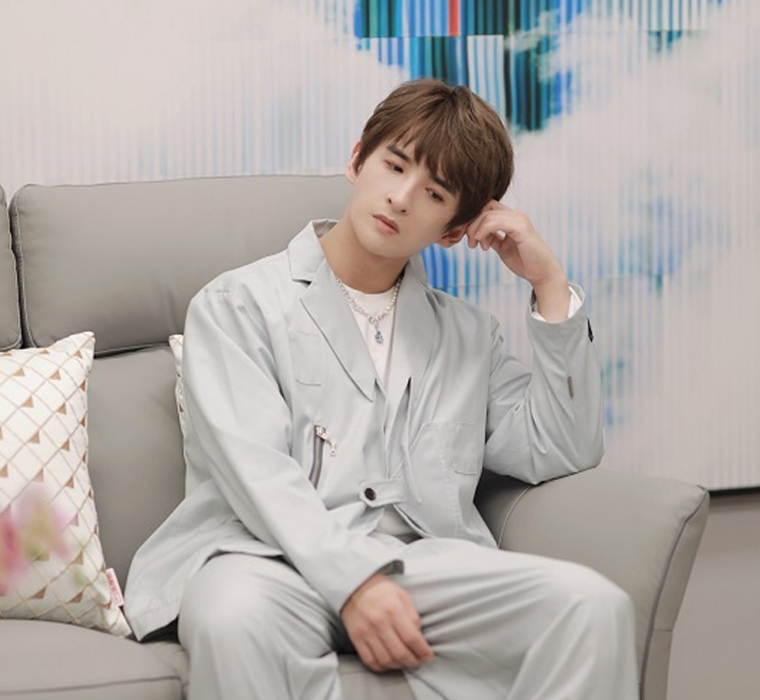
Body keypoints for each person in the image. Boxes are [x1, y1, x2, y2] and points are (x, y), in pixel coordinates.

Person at [124, 79, 638, 700]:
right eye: (394, 166)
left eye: (434, 193)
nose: (400, 197)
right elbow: (257, 474)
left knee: (592, 606)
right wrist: (355, 582)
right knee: (232, 615)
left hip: (422, 566)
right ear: (357, 160)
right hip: (264, 561)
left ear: (455, 229)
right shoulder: (238, 304)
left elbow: (561, 448)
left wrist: (550, 284)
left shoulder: (469, 336)